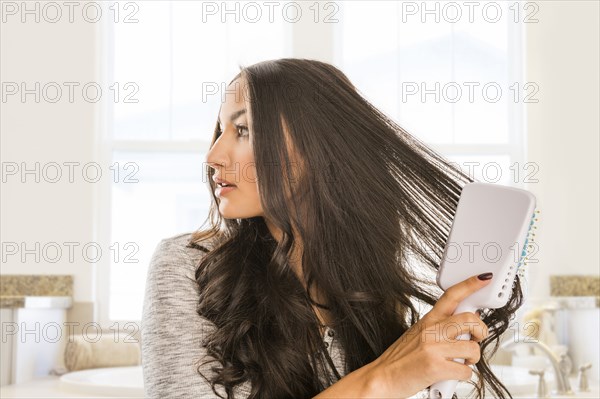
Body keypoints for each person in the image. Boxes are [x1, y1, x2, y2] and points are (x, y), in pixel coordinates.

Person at [141, 58, 522, 399]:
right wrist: (386, 379)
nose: (212, 155)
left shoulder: (371, 291)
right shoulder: (189, 267)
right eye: (221, 130)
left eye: (243, 130)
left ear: (318, 148)